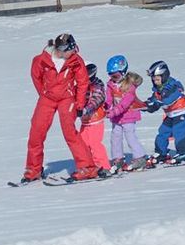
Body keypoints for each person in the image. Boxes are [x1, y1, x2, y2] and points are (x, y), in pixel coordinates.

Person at [21, 33, 98, 183]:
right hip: (47, 98)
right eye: (70, 49)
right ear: (60, 50)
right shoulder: (41, 60)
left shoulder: (76, 60)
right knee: (36, 131)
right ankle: (33, 169)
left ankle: (87, 168)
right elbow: (35, 76)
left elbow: (83, 82)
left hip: (66, 98)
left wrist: (80, 103)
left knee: (69, 131)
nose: (74, 52)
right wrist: (44, 93)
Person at [105, 55, 148, 172]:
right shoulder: (110, 85)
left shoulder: (130, 87)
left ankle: (139, 157)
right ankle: (117, 158)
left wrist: (113, 112)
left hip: (129, 115)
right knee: (115, 136)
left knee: (130, 136)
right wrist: (106, 107)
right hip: (117, 117)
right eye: (111, 75)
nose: (113, 78)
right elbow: (108, 98)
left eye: (116, 75)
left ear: (123, 73)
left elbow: (124, 104)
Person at [143, 60, 185, 163]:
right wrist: (145, 105)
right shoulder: (158, 89)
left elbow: (168, 99)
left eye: (157, 79)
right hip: (170, 114)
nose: (155, 81)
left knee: (179, 132)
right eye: (153, 79)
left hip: (181, 112)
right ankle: (161, 152)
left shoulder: (173, 86)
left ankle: (184, 152)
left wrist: (156, 104)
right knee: (163, 132)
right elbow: (154, 99)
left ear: (164, 76)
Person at [78, 63, 111, 175]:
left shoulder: (97, 86)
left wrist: (85, 109)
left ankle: (104, 166)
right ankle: (88, 166)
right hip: (85, 121)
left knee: (95, 143)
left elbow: (96, 100)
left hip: (96, 120)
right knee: (82, 144)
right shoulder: (80, 85)